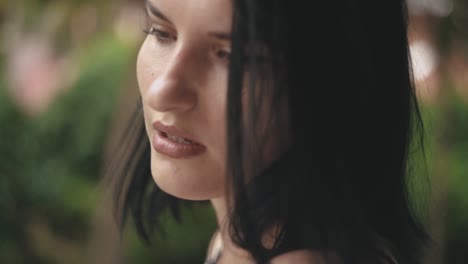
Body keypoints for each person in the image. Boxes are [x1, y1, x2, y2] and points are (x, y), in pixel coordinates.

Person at [111, 0, 429, 263]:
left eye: (231, 56)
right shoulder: (238, 243)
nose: (161, 92)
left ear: (332, 81)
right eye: (161, 32)